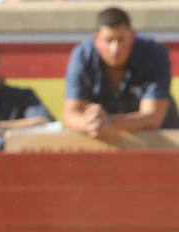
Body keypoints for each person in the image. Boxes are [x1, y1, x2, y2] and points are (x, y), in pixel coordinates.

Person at [63, 6, 179, 138]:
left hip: (161, 143)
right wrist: (90, 123)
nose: (115, 49)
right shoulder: (83, 56)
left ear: (132, 36)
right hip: (104, 141)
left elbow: (153, 117)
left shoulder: (154, 54)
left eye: (120, 40)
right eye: (109, 41)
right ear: (96, 39)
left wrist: (109, 122)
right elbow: (71, 114)